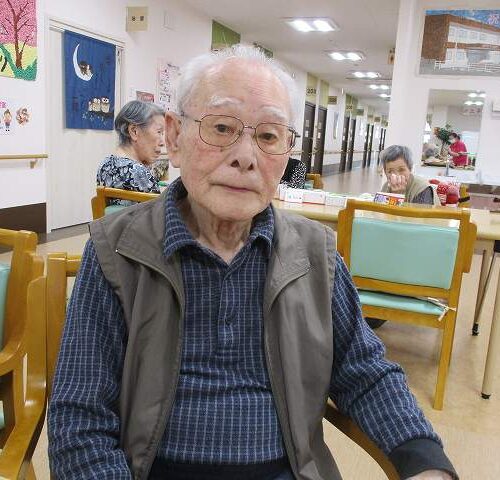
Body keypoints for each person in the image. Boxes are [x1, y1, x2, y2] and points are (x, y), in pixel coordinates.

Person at [49, 45, 457, 480]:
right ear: (175, 136)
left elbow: (366, 372)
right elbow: (79, 418)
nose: (246, 156)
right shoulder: (116, 249)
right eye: (222, 127)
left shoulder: (315, 254)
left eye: (268, 136)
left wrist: (425, 461)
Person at [96, 100, 165, 205]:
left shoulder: (105, 165)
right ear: (134, 131)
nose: (162, 142)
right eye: (159, 132)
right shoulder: (138, 172)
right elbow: (160, 211)